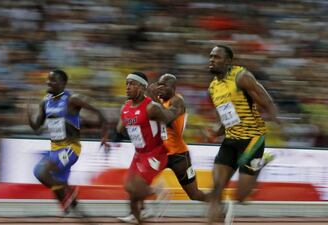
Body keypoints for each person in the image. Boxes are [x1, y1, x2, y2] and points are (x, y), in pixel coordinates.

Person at [118, 73, 208, 223]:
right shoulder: (157, 102)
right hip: (159, 150)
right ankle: (140, 211)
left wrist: (151, 100)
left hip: (177, 154)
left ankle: (218, 202)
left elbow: (168, 119)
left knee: (194, 194)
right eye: (158, 84)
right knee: (137, 183)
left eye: (164, 85)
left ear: (173, 88)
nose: (159, 88)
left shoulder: (177, 102)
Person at [206, 45, 277, 224]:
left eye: (217, 57)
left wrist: (275, 118)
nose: (212, 60)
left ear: (228, 61)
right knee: (216, 190)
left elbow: (266, 99)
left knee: (240, 197)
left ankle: (260, 163)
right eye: (211, 56)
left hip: (252, 139)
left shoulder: (241, 76)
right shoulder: (213, 88)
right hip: (230, 140)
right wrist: (215, 131)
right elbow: (223, 119)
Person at [27, 69, 108, 213]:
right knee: (60, 190)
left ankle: (69, 193)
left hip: (71, 149)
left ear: (63, 83)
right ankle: (73, 203)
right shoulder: (45, 102)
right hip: (55, 150)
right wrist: (28, 112)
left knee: (41, 172)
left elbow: (99, 111)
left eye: (53, 80)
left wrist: (104, 135)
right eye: (48, 79)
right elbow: (36, 128)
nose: (48, 82)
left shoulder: (72, 99)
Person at [115, 72, 177, 225]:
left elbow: (169, 120)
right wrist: (117, 134)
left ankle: (159, 192)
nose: (128, 87)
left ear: (142, 88)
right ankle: (138, 217)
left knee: (134, 187)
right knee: (130, 189)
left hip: (155, 153)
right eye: (127, 83)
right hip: (139, 154)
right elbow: (120, 128)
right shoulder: (125, 107)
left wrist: (165, 131)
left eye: (132, 84)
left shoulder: (151, 107)